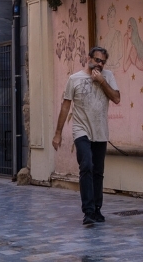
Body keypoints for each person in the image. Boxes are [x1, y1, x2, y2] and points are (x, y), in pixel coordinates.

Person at [52, 46, 120, 226]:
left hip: (100, 131)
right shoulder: (74, 79)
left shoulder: (108, 77)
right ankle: (88, 211)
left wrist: (102, 82)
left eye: (103, 62)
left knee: (98, 172)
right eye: (97, 60)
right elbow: (66, 106)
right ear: (88, 58)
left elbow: (117, 98)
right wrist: (58, 133)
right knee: (87, 165)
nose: (100, 64)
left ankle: (97, 209)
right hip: (81, 130)